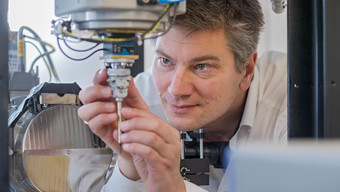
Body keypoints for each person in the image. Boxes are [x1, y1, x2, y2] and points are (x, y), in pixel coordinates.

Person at [78, 0, 287, 191]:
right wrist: (130, 166)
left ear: (247, 70)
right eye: (166, 62)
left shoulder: (297, 105)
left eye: (202, 66)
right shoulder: (136, 103)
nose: (176, 90)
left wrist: (174, 187)